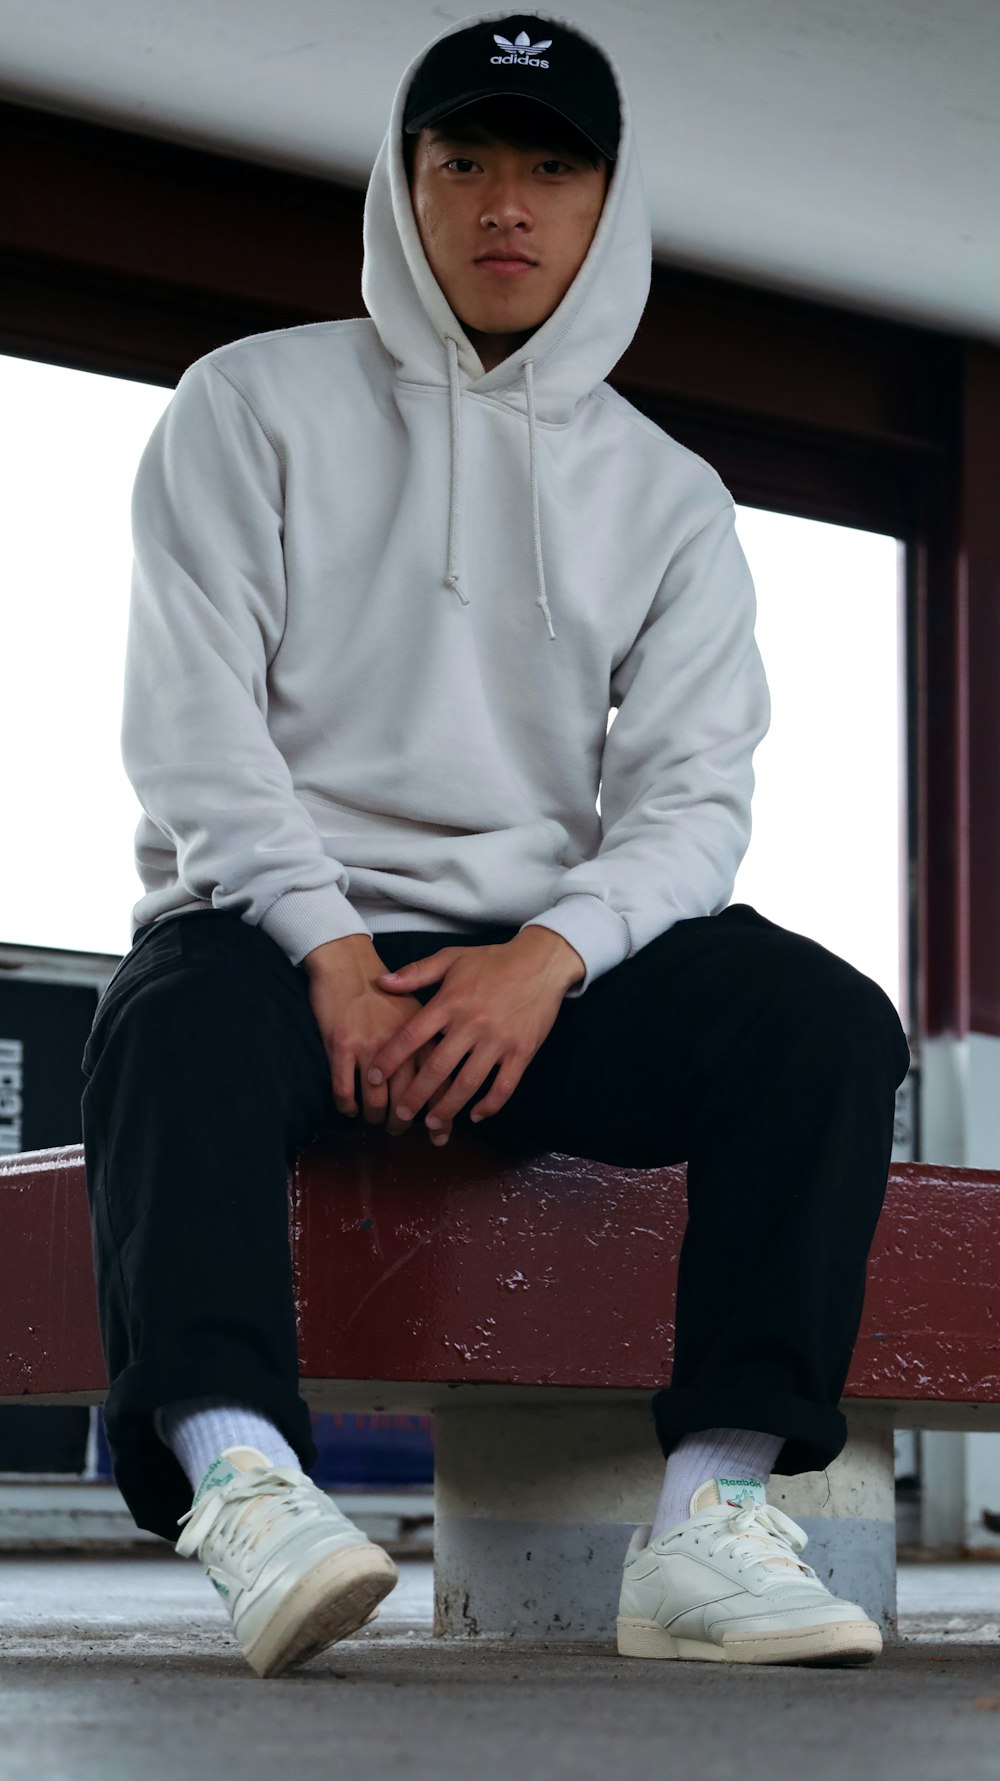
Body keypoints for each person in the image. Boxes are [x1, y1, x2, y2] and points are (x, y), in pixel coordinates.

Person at [80, 9, 911, 1679]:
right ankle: (247, 1484)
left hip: (532, 977)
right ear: (409, 185)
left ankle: (709, 1521)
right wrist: (330, 953)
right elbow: (196, 735)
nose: (504, 204)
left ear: (610, 202)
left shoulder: (670, 498)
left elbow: (693, 805)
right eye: (462, 160)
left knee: (823, 1023)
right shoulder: (249, 404)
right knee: (162, 1014)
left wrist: (550, 960)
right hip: (276, 949)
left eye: (550, 165)